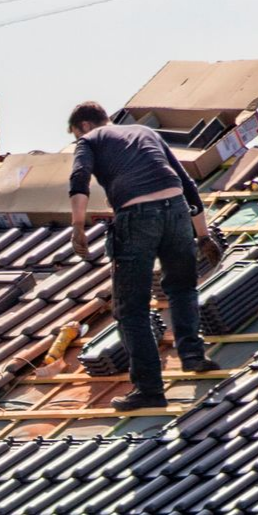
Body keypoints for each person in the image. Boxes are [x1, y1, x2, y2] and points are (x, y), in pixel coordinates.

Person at [67, 101, 219, 411]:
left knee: (130, 308)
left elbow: (79, 178)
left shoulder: (89, 140)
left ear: (83, 126)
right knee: (182, 287)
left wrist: (78, 227)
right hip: (176, 212)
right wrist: (203, 235)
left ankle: (149, 388)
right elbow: (187, 184)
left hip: (137, 216)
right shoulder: (144, 131)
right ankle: (192, 355)